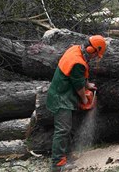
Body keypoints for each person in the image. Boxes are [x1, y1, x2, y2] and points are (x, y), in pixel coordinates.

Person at [46, 35, 107, 171]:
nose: (95, 58)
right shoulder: (78, 62)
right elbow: (78, 86)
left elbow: (79, 77)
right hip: (61, 98)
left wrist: (87, 85)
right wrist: (85, 100)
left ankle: (65, 155)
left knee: (67, 128)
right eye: (96, 55)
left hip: (63, 93)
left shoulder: (75, 50)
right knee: (63, 130)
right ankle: (58, 164)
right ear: (91, 50)